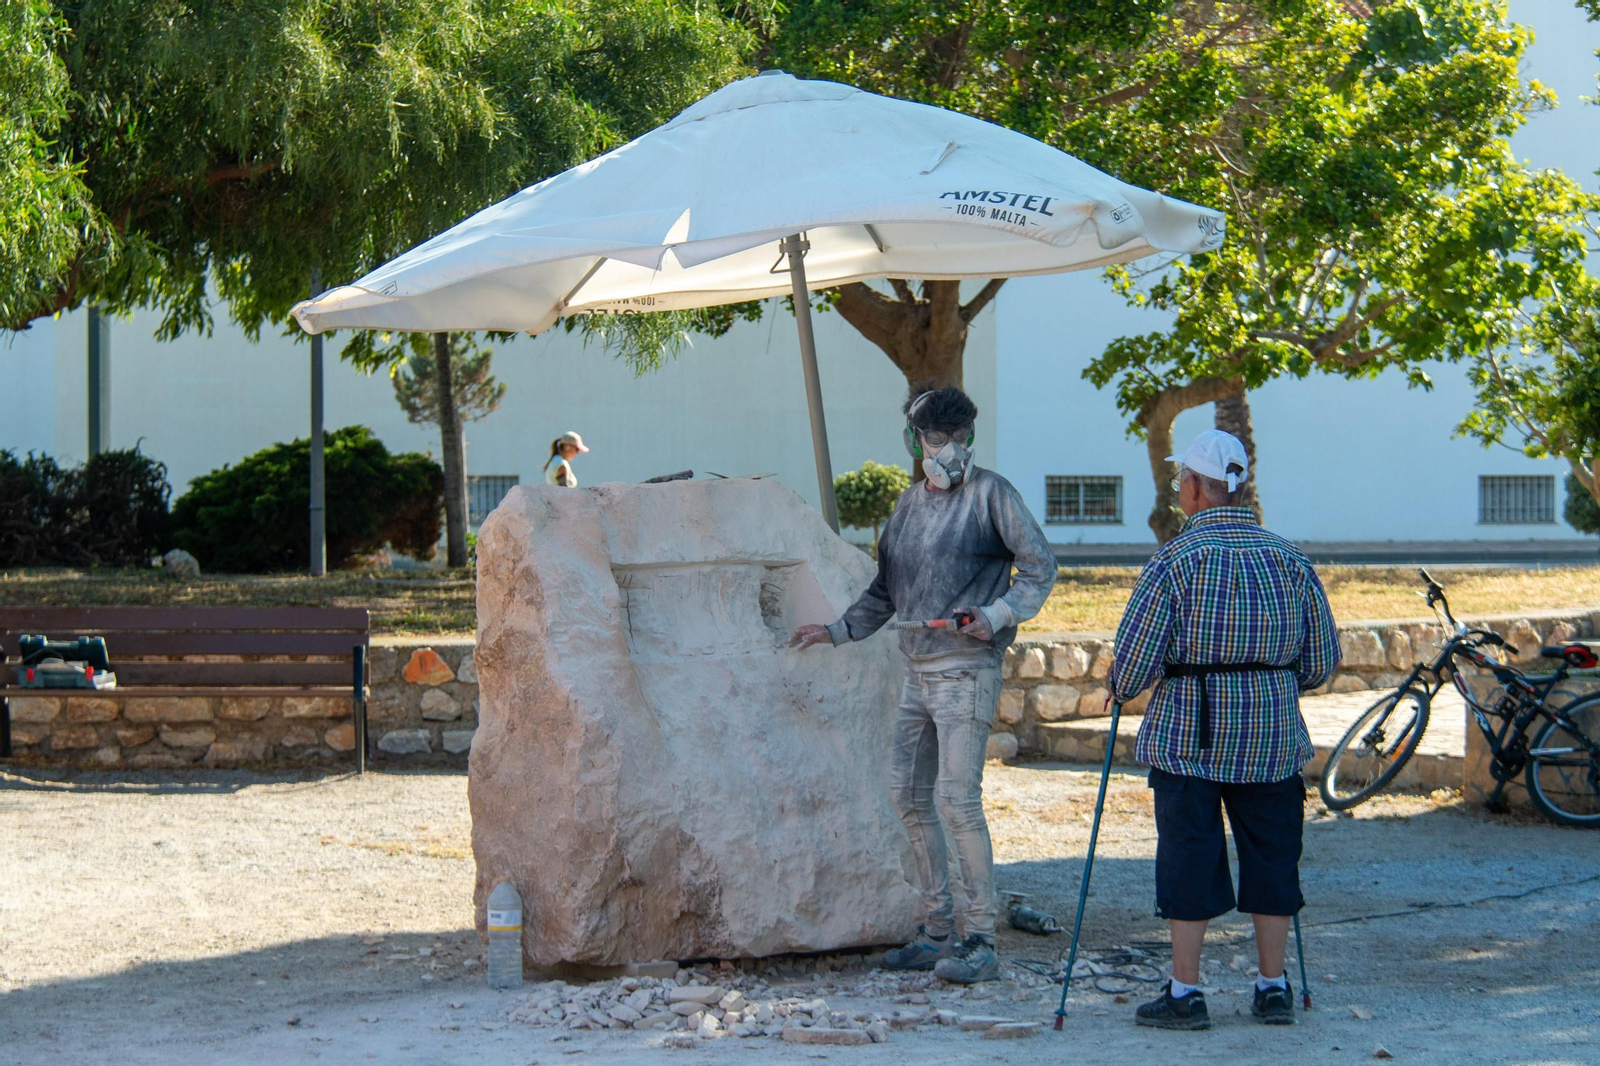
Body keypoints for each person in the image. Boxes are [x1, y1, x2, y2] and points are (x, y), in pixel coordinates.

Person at [788, 384, 1057, 984]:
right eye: (936, 439)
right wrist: (836, 630)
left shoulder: (994, 495)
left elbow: (1040, 567)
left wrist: (996, 614)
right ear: (915, 442)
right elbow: (885, 590)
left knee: (957, 802)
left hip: (966, 669)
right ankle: (937, 931)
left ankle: (981, 938)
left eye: (957, 439)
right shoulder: (907, 508)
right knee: (909, 798)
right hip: (918, 669)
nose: (947, 449)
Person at [1108, 429, 1340, 1030]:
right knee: (1273, 857)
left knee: (1188, 858)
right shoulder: (1291, 561)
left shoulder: (1172, 562)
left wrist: (1120, 686)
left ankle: (1186, 994)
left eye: (1180, 478)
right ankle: (1273, 986)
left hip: (1189, 739)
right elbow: (1320, 663)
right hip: (1270, 738)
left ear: (1192, 488)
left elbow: (1132, 664)